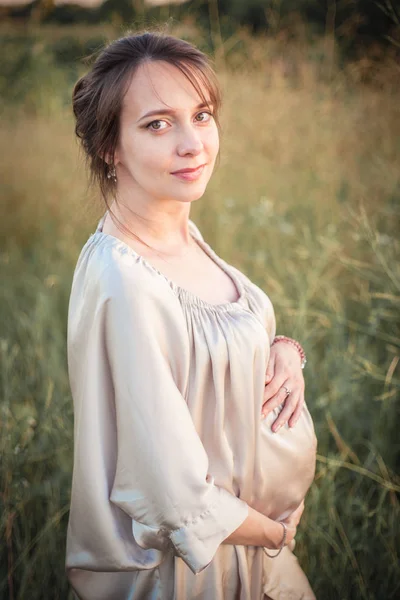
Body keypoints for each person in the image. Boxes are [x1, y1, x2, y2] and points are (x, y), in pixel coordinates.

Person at [66, 30, 318, 600]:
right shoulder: (124, 282)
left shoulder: (180, 232)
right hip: (199, 573)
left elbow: (207, 343)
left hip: (255, 558)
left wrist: (283, 350)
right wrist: (277, 533)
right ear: (111, 146)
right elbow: (172, 497)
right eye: (157, 124)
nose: (193, 144)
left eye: (201, 115)